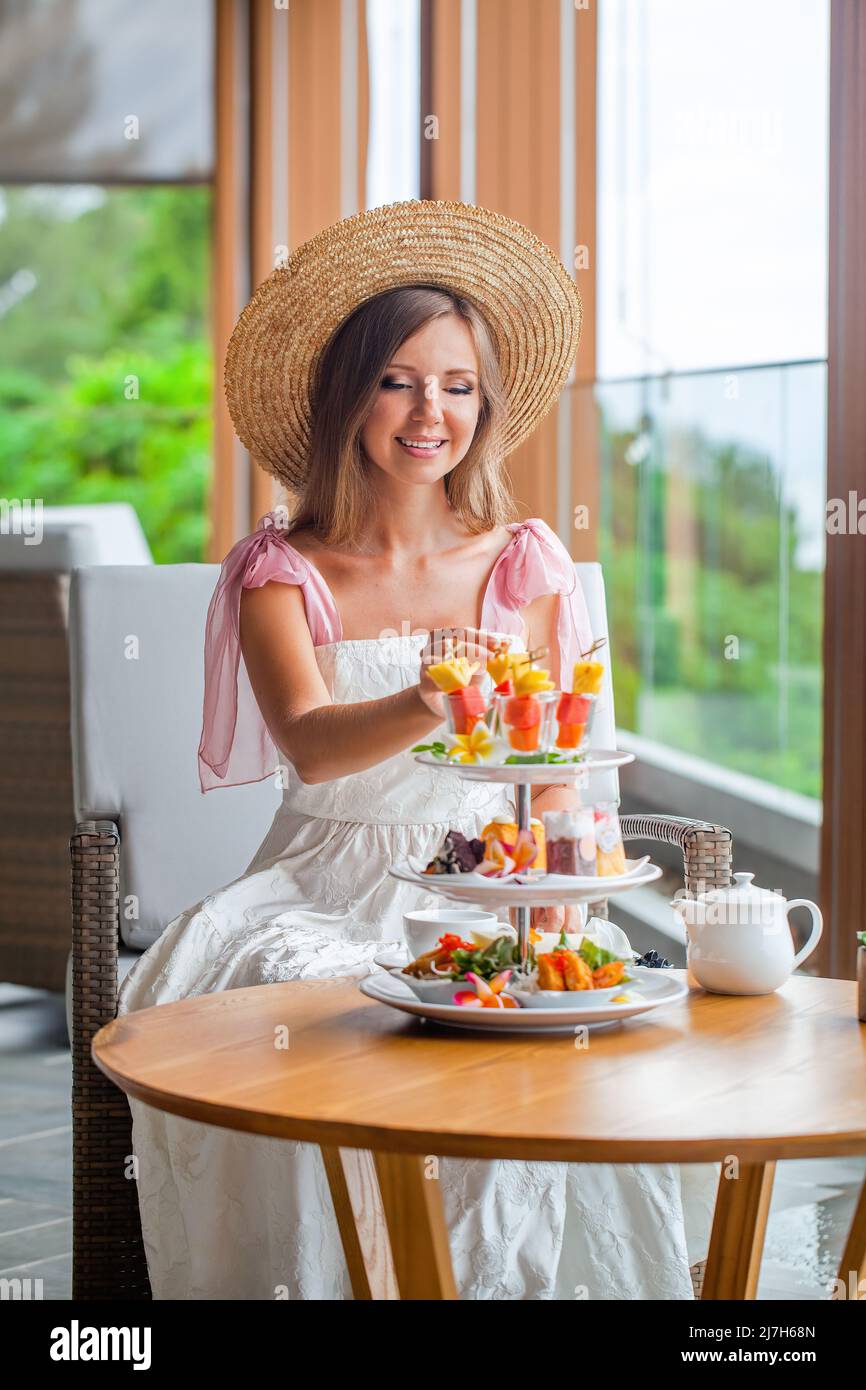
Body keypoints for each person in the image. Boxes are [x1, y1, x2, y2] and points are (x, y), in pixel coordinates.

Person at [117, 199, 718, 1299]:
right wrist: (433, 697)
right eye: (397, 379)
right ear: (350, 394)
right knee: (319, 999)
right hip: (318, 876)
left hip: (484, 876)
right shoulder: (277, 570)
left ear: (483, 406)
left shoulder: (520, 560)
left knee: (538, 1013)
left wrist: (550, 901)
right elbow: (309, 746)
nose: (428, 411)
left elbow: (555, 768)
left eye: (456, 384)